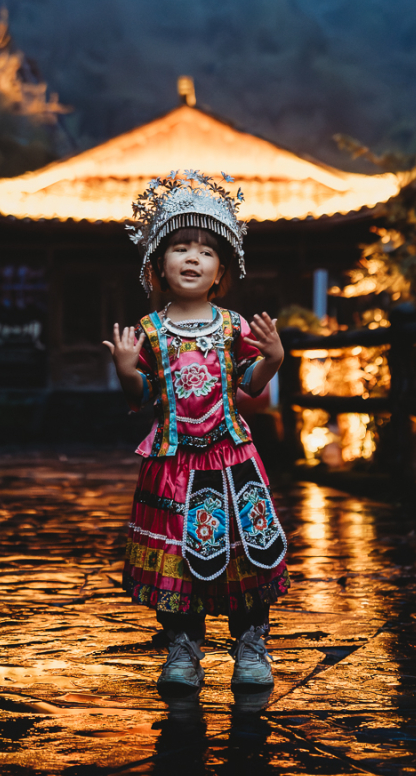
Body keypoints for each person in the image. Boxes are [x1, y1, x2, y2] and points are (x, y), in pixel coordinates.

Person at [103, 170, 288, 697]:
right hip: (173, 460)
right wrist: (124, 368)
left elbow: (248, 386)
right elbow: (141, 397)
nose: (192, 258)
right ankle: (183, 648)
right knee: (178, 559)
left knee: (243, 549)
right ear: (157, 264)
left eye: (206, 252)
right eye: (180, 247)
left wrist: (272, 359)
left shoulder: (233, 327)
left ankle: (251, 643)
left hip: (232, 457)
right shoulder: (152, 330)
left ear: (222, 270)